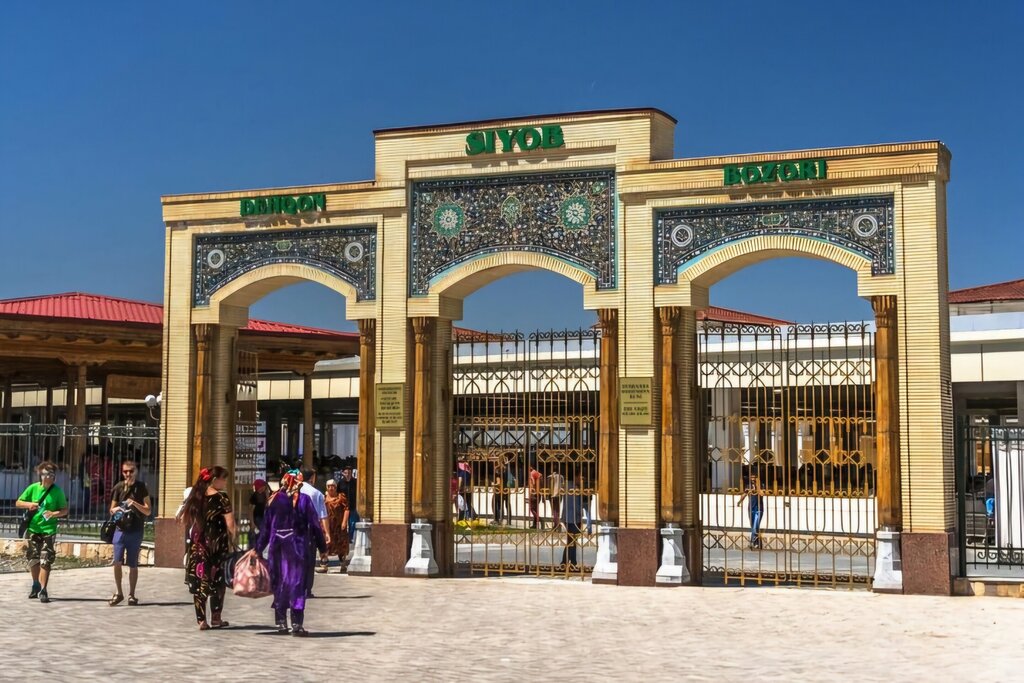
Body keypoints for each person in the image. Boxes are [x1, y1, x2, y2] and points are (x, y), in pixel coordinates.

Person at [256, 470, 326, 636]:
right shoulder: (304, 500)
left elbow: (266, 528)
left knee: (280, 584)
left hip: (277, 550)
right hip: (297, 551)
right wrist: (323, 548)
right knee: (297, 585)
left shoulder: (274, 501)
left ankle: (281, 623)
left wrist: (258, 548)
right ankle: (296, 624)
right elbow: (315, 525)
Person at [177, 466, 235, 630]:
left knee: (200, 579)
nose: (225, 482)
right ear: (215, 480)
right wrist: (234, 539)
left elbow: (183, 519)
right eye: (223, 479)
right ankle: (216, 618)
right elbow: (230, 524)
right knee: (218, 580)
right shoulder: (222, 498)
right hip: (217, 545)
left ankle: (201, 620)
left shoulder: (195, 496)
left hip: (198, 545)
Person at [16, 461, 68, 603]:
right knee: (33, 558)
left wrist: (53, 514)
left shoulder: (57, 492)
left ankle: (43, 590)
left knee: (46, 559)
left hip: (48, 530)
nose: (47, 477)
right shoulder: (33, 488)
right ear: (40, 475)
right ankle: (36, 585)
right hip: (33, 529)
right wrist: (30, 504)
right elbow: (18, 502)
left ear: (54, 476)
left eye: (50, 474)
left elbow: (65, 510)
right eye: (44, 474)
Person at [108, 459, 151, 606]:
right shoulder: (118, 487)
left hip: (136, 529)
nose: (128, 474)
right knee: (117, 561)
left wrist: (135, 504)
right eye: (125, 471)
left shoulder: (141, 487)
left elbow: (148, 510)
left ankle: (132, 594)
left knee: (133, 563)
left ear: (136, 472)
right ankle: (119, 592)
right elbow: (111, 510)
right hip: (120, 529)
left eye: (131, 471)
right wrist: (116, 509)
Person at [300, 469, 329, 594]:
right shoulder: (316, 493)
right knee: (309, 561)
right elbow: (322, 516)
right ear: (312, 478)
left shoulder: (290, 492)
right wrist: (326, 534)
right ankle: (307, 589)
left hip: (293, 532)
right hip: (309, 532)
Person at [321, 479, 350, 573]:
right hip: (327, 525)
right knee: (325, 544)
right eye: (329, 486)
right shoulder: (323, 498)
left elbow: (346, 509)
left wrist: (344, 522)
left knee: (341, 545)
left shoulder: (341, 497)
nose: (331, 488)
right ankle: (324, 564)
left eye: (333, 486)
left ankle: (343, 564)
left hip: (338, 526)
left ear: (336, 487)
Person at [560, 471, 587, 569]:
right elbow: (577, 505)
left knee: (571, 541)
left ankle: (567, 562)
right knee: (572, 541)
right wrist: (581, 514)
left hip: (567, 517)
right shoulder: (575, 488)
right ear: (575, 476)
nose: (581, 479)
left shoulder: (566, 485)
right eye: (580, 477)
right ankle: (571, 562)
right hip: (574, 518)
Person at [736, 468, 765, 549]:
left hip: (759, 509)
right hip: (750, 508)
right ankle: (758, 544)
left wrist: (757, 487)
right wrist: (739, 502)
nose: (753, 479)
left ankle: (753, 542)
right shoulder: (748, 486)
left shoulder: (761, 485)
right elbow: (744, 494)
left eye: (754, 477)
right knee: (753, 526)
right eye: (752, 477)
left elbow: (762, 494)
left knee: (756, 525)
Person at [338, 463, 358, 542]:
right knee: (343, 523)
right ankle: (343, 537)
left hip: (353, 506)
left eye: (349, 473)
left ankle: (350, 538)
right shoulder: (340, 483)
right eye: (346, 473)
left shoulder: (355, 482)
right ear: (343, 473)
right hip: (343, 507)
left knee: (352, 523)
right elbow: (338, 493)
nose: (348, 475)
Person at [249, 479, 269, 549]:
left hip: (264, 517)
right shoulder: (254, 496)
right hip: (257, 517)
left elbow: (267, 504)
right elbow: (251, 510)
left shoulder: (264, 494)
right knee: (261, 532)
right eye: (263, 486)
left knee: (263, 532)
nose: (264, 487)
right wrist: (252, 522)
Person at [527, 463, 544, 529]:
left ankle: (540, 520)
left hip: (534, 493)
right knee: (536, 509)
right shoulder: (539, 474)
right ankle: (534, 525)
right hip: (538, 493)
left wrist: (530, 492)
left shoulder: (532, 473)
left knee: (532, 508)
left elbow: (533, 483)